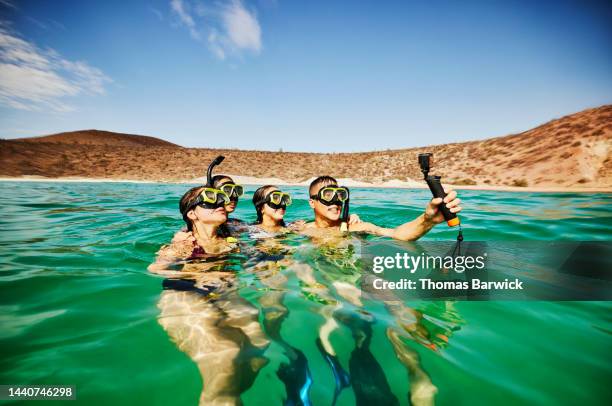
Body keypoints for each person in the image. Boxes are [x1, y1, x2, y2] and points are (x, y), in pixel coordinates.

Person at [149, 185, 269, 405]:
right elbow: (155, 270)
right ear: (192, 214)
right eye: (209, 202)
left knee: (258, 348)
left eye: (220, 200)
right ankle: (221, 397)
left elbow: (258, 260)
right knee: (225, 354)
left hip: (224, 295)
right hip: (185, 295)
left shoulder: (229, 242)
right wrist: (195, 274)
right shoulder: (184, 243)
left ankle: (227, 395)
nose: (219, 205)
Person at [302, 175, 462, 240]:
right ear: (312, 202)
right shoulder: (300, 229)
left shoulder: (355, 227)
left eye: (340, 195)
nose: (336, 201)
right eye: (328, 195)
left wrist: (427, 220)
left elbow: (396, 234)